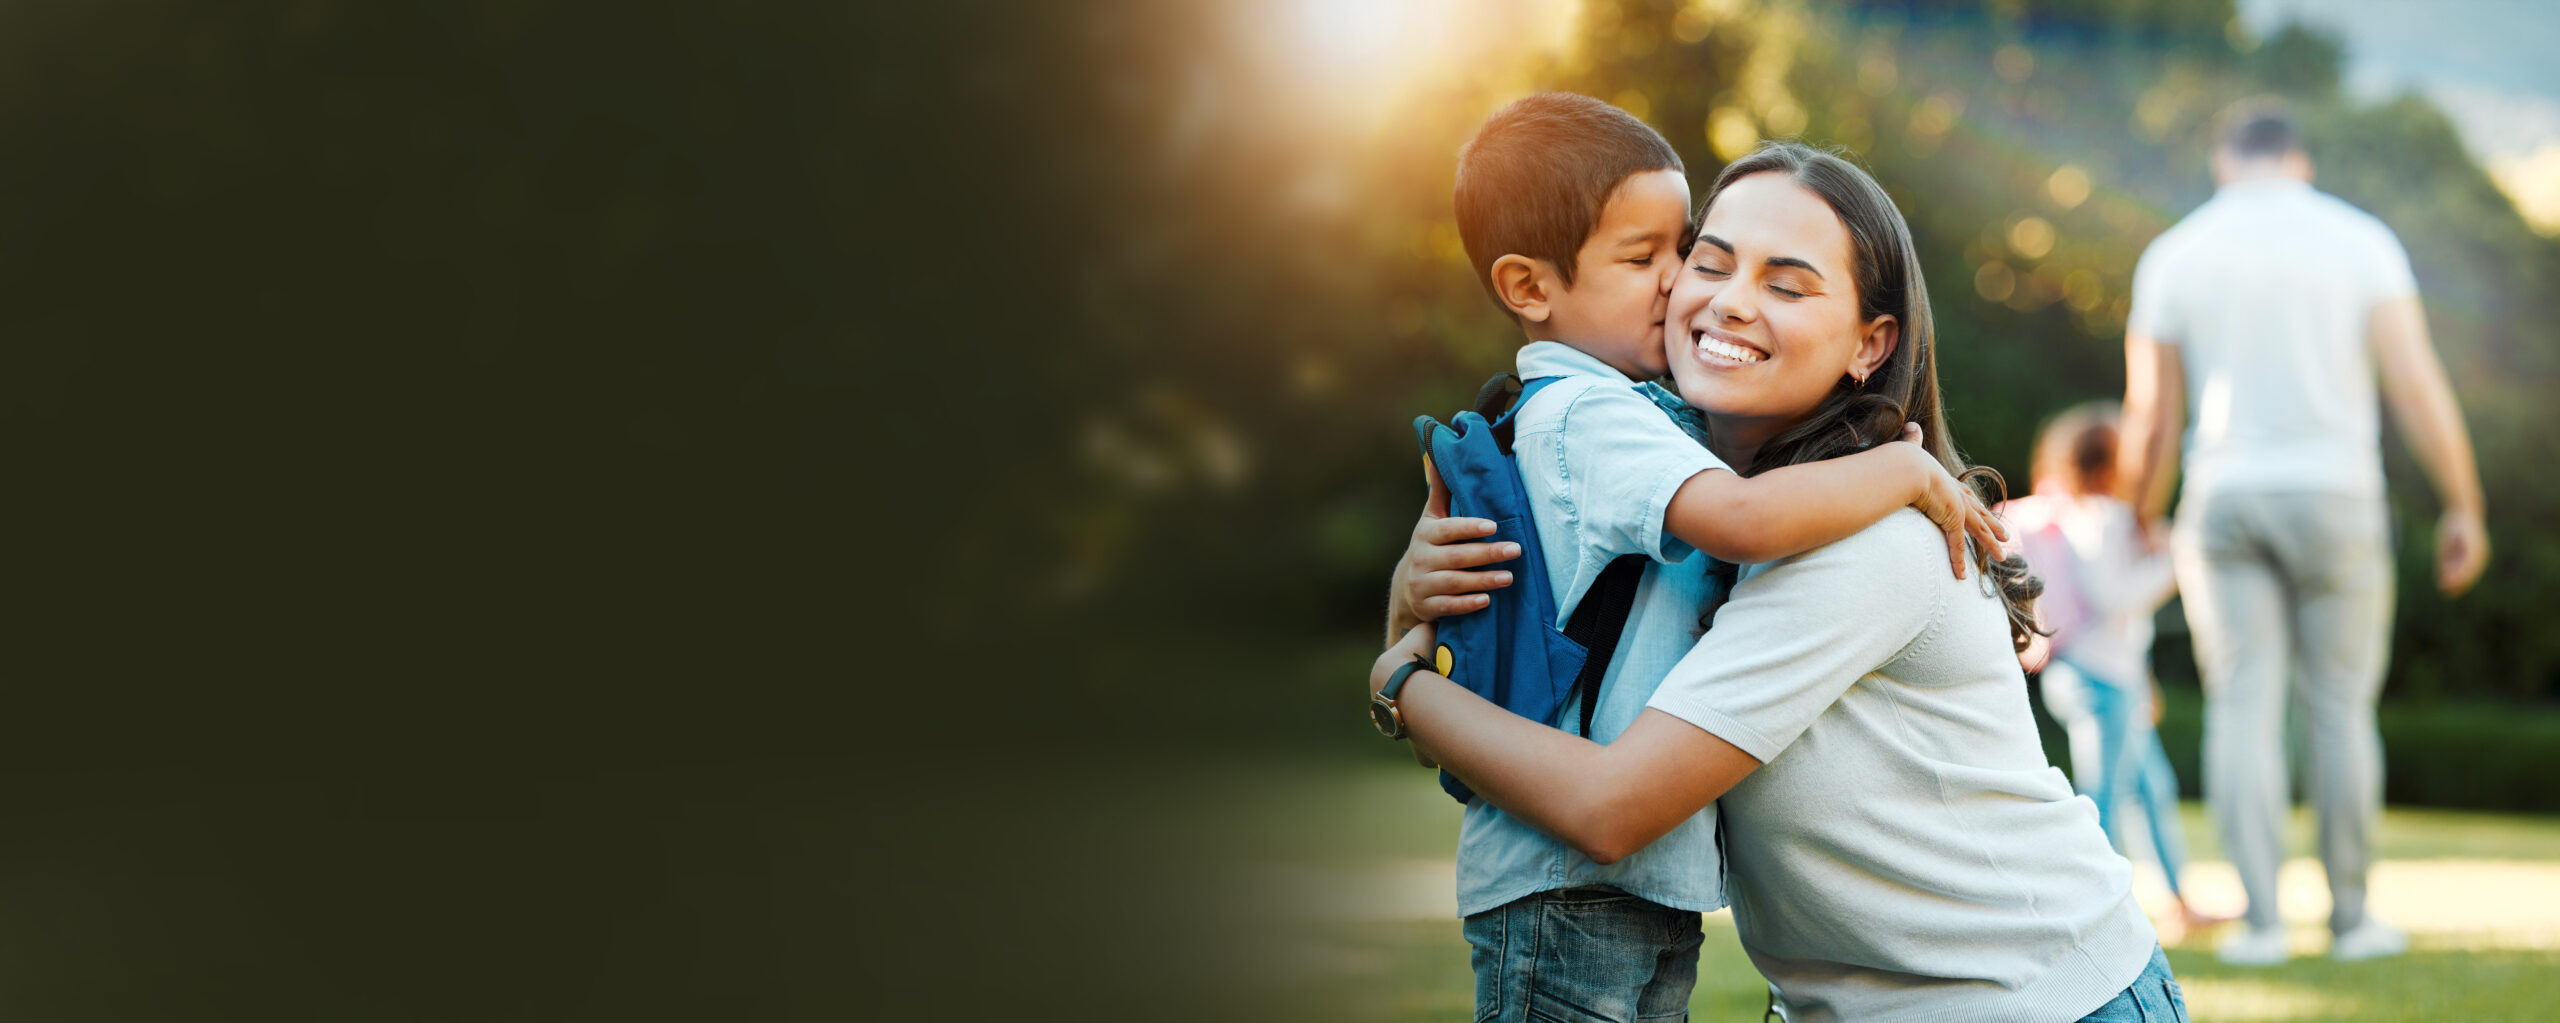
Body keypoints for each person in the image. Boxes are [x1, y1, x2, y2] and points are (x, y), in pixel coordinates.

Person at [1371, 141, 2183, 1022]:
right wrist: (1417, 602)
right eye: (1705, 262)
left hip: (2033, 999)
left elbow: (1608, 806)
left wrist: (1395, 684)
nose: (1729, 300)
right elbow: (1494, 733)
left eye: (1786, 285)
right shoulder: (1669, 512)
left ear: (1871, 344)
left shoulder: (1862, 539)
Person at [2117, 98, 2490, 965]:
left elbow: (2150, 415)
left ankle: (2261, 926)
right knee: (2340, 709)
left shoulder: (2176, 253)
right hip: (2340, 494)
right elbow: (2417, 384)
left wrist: (2140, 512)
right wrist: (2462, 504)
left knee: (2244, 707)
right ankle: (2354, 920)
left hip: (2226, 498)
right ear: (2302, 162)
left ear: (2223, 162)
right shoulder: (2360, 241)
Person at [2007, 403, 2225, 941]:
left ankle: (2179, 902)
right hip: (2097, 680)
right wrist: (2174, 561)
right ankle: (2095, 916)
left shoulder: (2091, 515)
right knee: (2104, 797)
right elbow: (2111, 600)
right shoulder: (2100, 517)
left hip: (2103, 676)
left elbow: (2119, 625)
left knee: (2152, 789)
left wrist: (2141, 679)